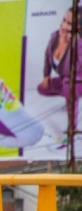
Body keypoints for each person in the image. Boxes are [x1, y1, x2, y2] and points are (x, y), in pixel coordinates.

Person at [38, 6, 82, 145]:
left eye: (69, 24)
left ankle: (71, 129)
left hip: (78, 80)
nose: (63, 25)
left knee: (68, 84)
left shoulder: (79, 44)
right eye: (64, 20)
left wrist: (74, 44)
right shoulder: (55, 36)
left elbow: (75, 69)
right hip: (66, 79)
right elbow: (47, 56)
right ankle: (68, 95)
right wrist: (46, 75)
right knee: (43, 88)